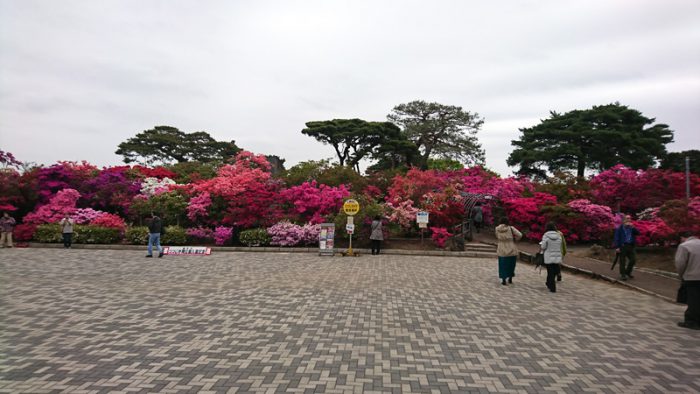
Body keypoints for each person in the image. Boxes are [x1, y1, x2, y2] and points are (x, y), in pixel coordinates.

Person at [675, 231, 700, 330]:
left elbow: (680, 263)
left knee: (693, 299)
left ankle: (692, 321)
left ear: (682, 238)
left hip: (692, 276)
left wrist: (681, 275)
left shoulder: (684, 246)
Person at [613, 215, 640, 280]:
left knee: (633, 260)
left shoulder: (632, 227)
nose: (629, 219)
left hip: (631, 246)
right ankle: (623, 274)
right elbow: (616, 238)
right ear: (624, 220)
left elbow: (638, 233)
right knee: (622, 261)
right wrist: (617, 247)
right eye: (627, 218)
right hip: (623, 246)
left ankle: (627, 272)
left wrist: (633, 227)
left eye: (630, 218)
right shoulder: (620, 228)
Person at [495, 218, 522, 285]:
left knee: (502, 264)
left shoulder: (497, 229)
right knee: (511, 263)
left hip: (501, 247)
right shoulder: (511, 228)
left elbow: (496, 236)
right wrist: (515, 239)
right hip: (511, 246)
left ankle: (503, 279)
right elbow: (520, 235)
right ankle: (510, 278)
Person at [540, 222, 563, 293]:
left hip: (548, 255)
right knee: (555, 271)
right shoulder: (559, 236)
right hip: (557, 255)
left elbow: (543, 246)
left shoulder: (545, 236)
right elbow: (560, 245)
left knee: (550, 271)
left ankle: (552, 286)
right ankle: (548, 283)